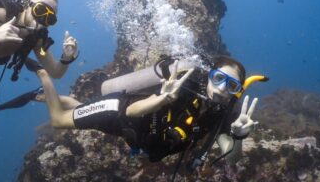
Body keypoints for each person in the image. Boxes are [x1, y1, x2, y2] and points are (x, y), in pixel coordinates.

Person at [34, 56, 261, 165]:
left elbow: (230, 157)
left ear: (237, 91)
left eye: (231, 85)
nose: (222, 89)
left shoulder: (224, 115)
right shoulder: (186, 87)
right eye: (219, 78)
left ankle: (69, 101)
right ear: (209, 76)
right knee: (58, 120)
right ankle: (44, 77)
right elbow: (131, 111)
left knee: (85, 114)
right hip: (118, 112)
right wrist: (163, 99)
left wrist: (239, 138)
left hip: (133, 137)